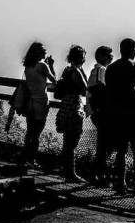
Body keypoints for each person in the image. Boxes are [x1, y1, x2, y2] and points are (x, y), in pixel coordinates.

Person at [104, 38, 135, 192]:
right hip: (134, 113)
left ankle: (120, 182)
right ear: (133, 50)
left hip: (116, 113)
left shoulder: (111, 68)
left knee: (121, 151)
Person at [54, 45, 89, 182]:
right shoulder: (76, 71)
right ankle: (71, 174)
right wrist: (81, 70)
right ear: (81, 57)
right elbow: (85, 87)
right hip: (74, 108)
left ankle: (67, 170)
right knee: (72, 141)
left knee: (67, 142)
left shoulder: (67, 70)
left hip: (65, 106)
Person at [19, 42, 56, 168]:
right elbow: (54, 80)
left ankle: (24, 158)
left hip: (30, 102)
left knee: (30, 132)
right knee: (36, 135)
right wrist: (51, 65)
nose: (45, 53)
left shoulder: (28, 66)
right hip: (41, 102)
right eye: (43, 51)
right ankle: (31, 160)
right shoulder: (42, 65)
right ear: (38, 52)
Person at [86, 46, 114, 183]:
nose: (112, 57)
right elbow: (100, 88)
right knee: (107, 144)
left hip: (96, 111)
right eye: (109, 55)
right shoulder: (101, 70)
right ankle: (97, 173)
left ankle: (96, 173)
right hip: (102, 112)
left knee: (103, 143)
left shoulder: (95, 70)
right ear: (101, 56)